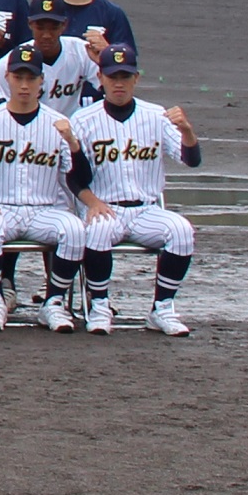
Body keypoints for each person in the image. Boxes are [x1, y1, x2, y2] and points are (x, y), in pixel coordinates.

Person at [68, 46, 200, 336]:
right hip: (105, 206)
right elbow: (73, 175)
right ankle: (99, 305)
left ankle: (162, 309)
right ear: (100, 77)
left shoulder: (156, 116)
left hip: (146, 209)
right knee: (99, 231)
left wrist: (187, 131)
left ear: (136, 78)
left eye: (125, 76)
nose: (119, 83)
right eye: (113, 76)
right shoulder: (83, 119)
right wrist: (91, 202)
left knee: (181, 231)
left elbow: (191, 160)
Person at [0, 46, 89, 333]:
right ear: (6, 78)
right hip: (0, 205)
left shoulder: (58, 125)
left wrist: (73, 145)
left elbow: (78, 177)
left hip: (44, 209)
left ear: (41, 81)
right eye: (18, 77)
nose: (23, 85)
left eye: (30, 78)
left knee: (74, 230)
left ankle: (54, 302)